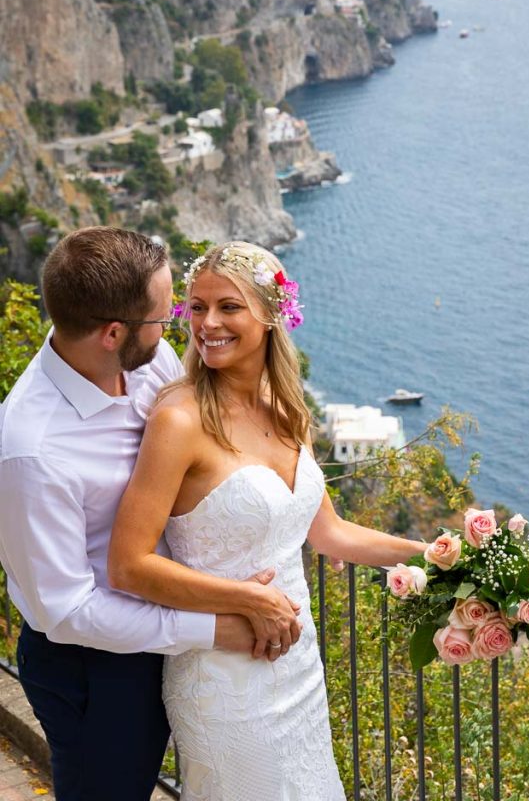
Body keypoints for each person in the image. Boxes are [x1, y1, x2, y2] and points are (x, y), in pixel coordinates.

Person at [109, 241, 426, 801]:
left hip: (297, 666)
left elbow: (329, 533)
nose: (208, 323)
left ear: (271, 314)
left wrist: (433, 555)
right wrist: (247, 600)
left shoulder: (287, 409)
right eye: (197, 307)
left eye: (228, 307)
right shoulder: (178, 420)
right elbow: (128, 566)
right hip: (224, 676)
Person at [0, 227, 305, 801]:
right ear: (113, 333)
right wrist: (213, 628)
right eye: (165, 319)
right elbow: (67, 612)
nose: (178, 331)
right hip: (92, 666)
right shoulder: (31, 452)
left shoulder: (146, 358)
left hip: (172, 631)